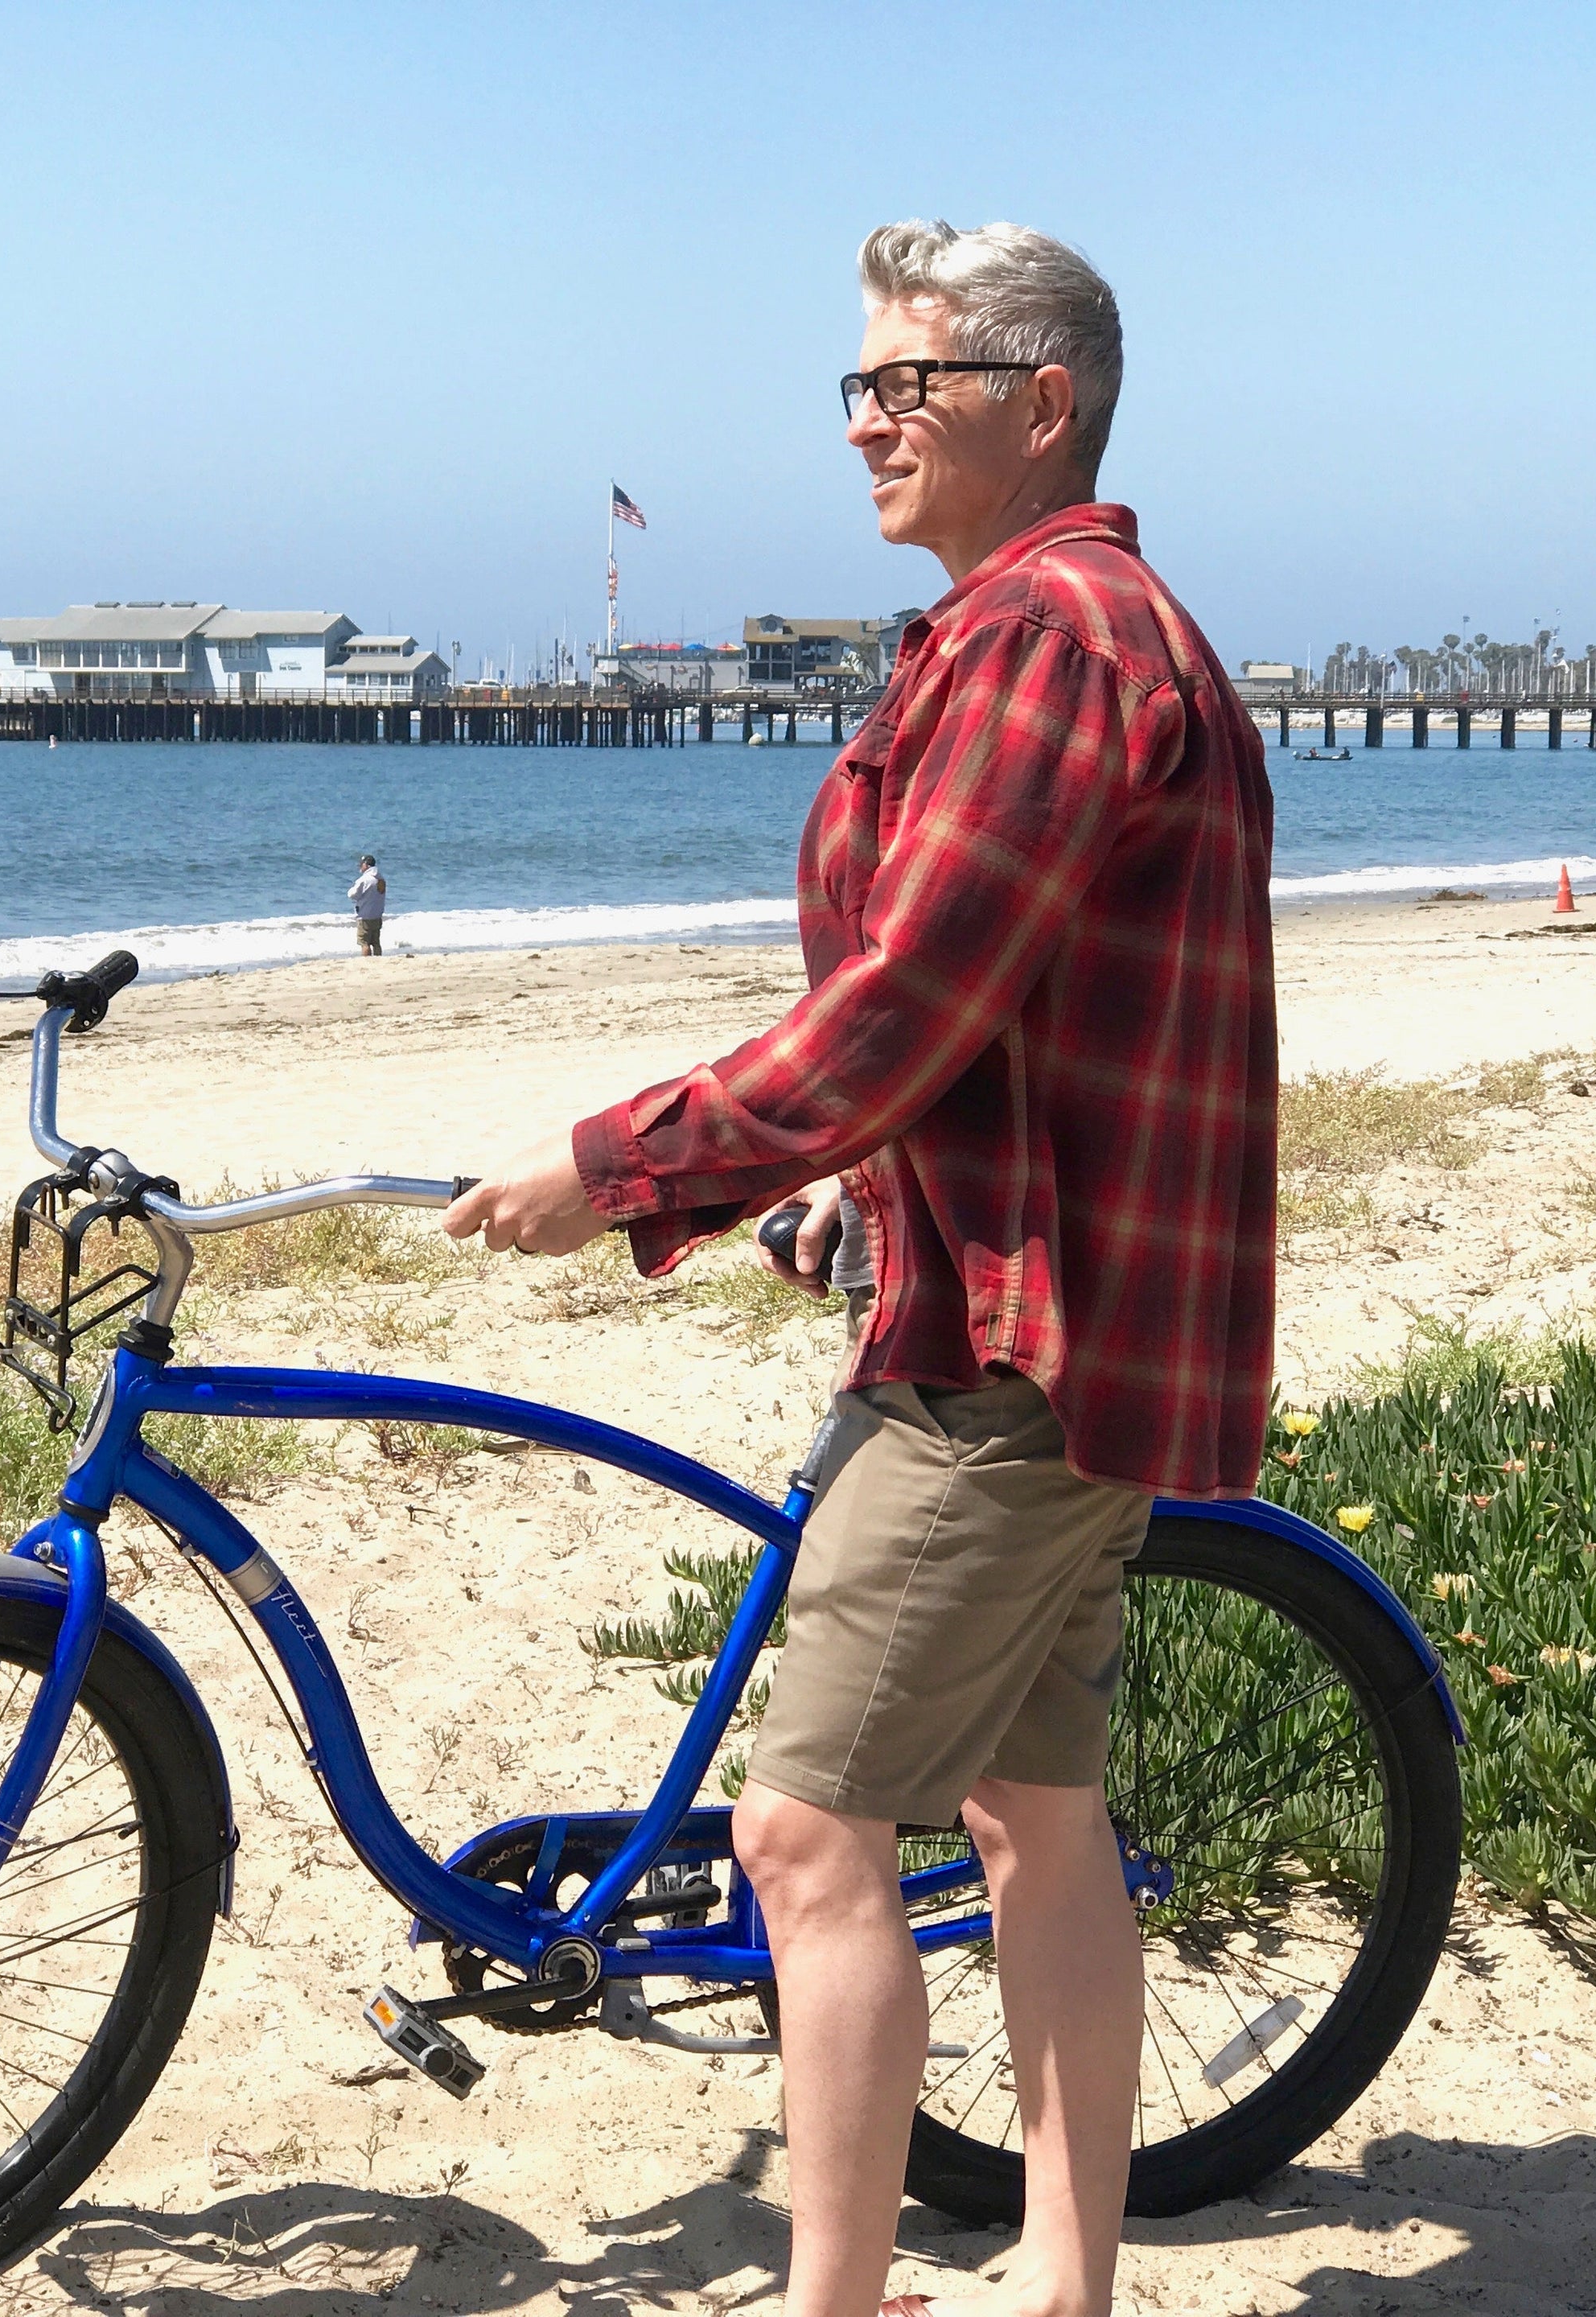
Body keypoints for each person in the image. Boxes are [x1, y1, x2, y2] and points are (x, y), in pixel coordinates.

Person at [445, 218, 1276, 2317]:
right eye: (858, 387)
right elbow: (1003, 1024)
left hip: (1018, 1347)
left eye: (912, 384)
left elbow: (905, 1005)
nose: (869, 424)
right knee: (1033, 1814)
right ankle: (1064, 2280)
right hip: (1030, 1303)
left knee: (807, 1845)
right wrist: (867, 1180)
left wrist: (629, 1169)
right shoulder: (1037, 627)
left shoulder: (1054, 645)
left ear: (1044, 402)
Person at [348, 854, 387, 954]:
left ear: (367, 865)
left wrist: (351, 890)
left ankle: (367, 961)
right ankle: (379, 959)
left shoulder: (364, 880)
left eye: (362, 864)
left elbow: (353, 895)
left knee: (364, 943)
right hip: (377, 915)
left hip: (365, 916)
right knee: (376, 942)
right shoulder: (381, 879)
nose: (360, 866)